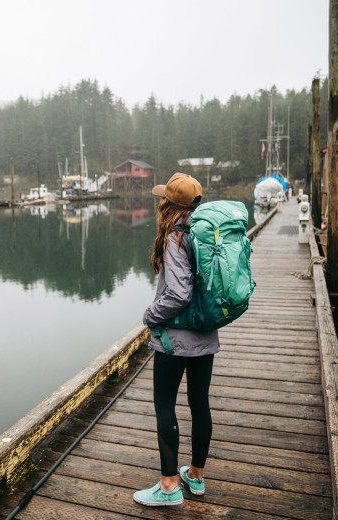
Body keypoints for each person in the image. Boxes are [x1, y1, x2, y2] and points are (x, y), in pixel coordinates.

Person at [132, 172, 219, 507]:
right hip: (205, 332)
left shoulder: (175, 236)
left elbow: (178, 295)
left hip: (175, 339)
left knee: (165, 405)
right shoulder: (205, 234)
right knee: (200, 403)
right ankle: (195, 477)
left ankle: (168, 487)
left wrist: (150, 316)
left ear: (168, 203)